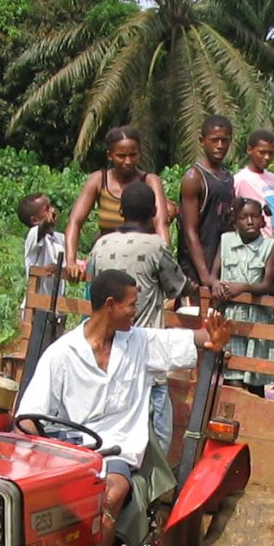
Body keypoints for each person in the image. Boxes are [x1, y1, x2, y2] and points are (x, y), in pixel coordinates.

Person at [16, 269, 230, 546]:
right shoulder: (62, 354)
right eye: (132, 304)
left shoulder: (140, 343)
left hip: (115, 453)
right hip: (67, 453)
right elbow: (29, 418)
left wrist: (214, 338)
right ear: (110, 305)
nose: (136, 310)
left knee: (113, 491)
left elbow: (194, 340)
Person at [86, 183, 187, 450]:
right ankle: (152, 484)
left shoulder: (101, 244)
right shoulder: (156, 246)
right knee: (156, 427)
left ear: (120, 210)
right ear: (155, 211)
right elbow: (177, 286)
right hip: (145, 351)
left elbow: (91, 285)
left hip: (106, 350)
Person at [63, 126, 171, 269]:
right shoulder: (98, 180)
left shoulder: (150, 181)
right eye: (121, 156)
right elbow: (75, 222)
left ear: (140, 154)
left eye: (133, 155)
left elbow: (161, 225)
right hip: (105, 261)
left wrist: (166, 263)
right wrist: (70, 261)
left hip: (141, 261)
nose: (128, 161)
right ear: (110, 155)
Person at [215, 197, 274, 389]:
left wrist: (243, 287)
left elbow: (267, 285)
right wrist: (215, 284)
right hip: (230, 318)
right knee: (232, 378)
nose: (250, 221)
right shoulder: (225, 241)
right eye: (243, 217)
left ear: (262, 220)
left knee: (255, 379)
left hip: (256, 321)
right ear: (235, 220)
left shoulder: (270, 246)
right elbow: (212, 274)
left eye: (254, 217)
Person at [177, 115, 237, 294]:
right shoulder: (195, 177)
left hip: (220, 269)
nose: (220, 145)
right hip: (196, 272)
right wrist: (205, 277)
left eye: (224, 141)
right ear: (203, 141)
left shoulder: (228, 177)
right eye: (214, 140)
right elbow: (189, 231)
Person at [16, 192, 64, 321]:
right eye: (47, 209)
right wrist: (47, 222)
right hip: (35, 310)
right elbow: (43, 227)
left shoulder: (59, 238)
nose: (53, 210)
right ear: (35, 220)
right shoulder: (33, 236)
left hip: (55, 310)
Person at [232, 128, 274, 234]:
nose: (267, 157)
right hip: (254, 242)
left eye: (270, 153)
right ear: (250, 150)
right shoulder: (240, 179)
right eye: (262, 152)